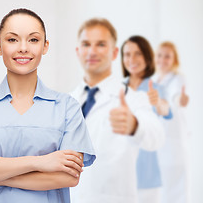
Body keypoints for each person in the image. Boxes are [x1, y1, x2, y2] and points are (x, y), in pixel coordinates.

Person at [0, 8, 96, 203]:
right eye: (12, 40)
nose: (23, 48)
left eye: (33, 40)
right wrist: (42, 162)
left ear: (45, 46)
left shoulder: (67, 107)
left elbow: (68, 176)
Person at [70, 18, 165, 203]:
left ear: (114, 53)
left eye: (101, 44)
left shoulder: (132, 97)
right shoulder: (67, 101)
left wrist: (134, 125)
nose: (92, 51)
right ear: (78, 51)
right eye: (86, 44)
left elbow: (157, 136)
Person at [121, 35, 172, 203]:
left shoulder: (155, 89)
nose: (132, 59)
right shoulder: (118, 88)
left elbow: (166, 110)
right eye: (127, 54)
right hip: (120, 172)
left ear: (147, 57)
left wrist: (158, 103)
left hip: (147, 176)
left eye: (138, 54)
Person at [153, 41, 190, 203]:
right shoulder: (154, 80)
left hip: (174, 141)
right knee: (162, 189)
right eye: (160, 55)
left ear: (174, 60)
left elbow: (177, 97)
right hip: (159, 141)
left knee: (177, 188)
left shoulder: (178, 78)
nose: (162, 60)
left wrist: (181, 100)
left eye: (167, 56)